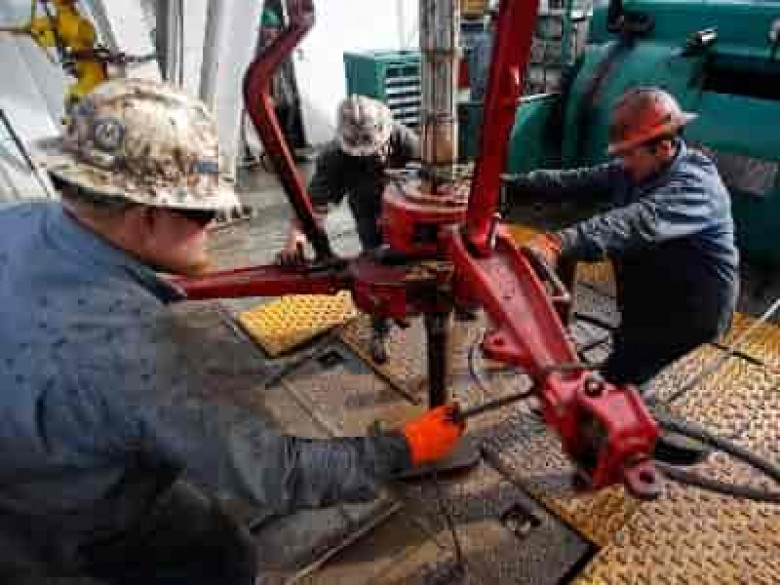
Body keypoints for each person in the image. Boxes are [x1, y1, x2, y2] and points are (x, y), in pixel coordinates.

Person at [0, 79, 463, 584]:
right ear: (147, 215)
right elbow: (275, 472)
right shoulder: (133, 348)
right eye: (202, 211)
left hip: (30, 465)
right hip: (64, 526)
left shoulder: (19, 221)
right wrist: (404, 447)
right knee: (224, 558)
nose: (216, 222)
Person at [503, 87, 739, 462]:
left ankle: (615, 450)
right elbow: (575, 181)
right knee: (628, 353)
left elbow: (632, 222)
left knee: (617, 376)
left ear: (663, 146)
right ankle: (624, 410)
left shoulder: (695, 186)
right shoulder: (635, 168)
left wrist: (558, 243)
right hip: (651, 294)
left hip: (691, 309)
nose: (622, 163)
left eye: (629, 154)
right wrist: (508, 186)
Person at [277, 94, 420, 364]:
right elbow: (314, 208)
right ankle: (380, 329)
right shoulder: (335, 158)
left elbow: (435, 180)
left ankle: (422, 305)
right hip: (367, 209)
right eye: (363, 153)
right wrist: (294, 239)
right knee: (376, 267)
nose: (374, 156)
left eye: (377, 148)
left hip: (406, 208)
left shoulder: (405, 140)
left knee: (420, 257)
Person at [467, 6, 498, 102]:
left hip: (481, 97)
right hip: (483, 99)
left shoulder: (486, 39)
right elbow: (483, 72)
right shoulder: (486, 42)